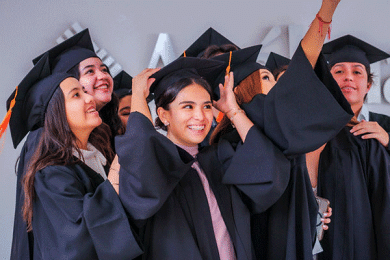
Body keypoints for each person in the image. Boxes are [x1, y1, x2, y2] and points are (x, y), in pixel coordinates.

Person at [112, 57, 291, 260]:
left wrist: (233, 111)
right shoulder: (157, 169)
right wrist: (138, 98)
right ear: (164, 115)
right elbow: (139, 156)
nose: (200, 116)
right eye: (188, 107)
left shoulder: (218, 159)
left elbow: (269, 172)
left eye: (206, 106)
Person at [3, 54, 142, 259]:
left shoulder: (99, 156)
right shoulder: (51, 173)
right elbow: (76, 238)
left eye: (85, 91)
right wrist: (116, 173)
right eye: (77, 94)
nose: (89, 98)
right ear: (56, 113)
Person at [323, 34, 390, 150]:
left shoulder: (386, 125)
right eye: (339, 71)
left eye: (357, 72)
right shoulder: (315, 127)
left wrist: (388, 140)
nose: (348, 77)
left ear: (368, 85)